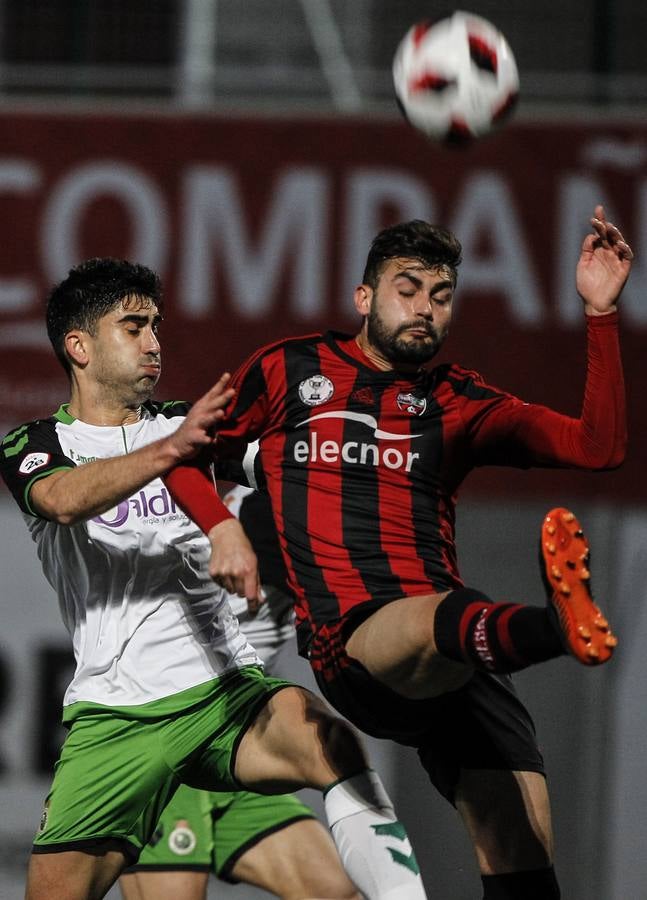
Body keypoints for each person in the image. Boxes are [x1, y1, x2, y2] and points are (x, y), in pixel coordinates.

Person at [163, 205, 633, 900]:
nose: (425, 309)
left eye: (441, 297)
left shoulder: (458, 401)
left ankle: (542, 629)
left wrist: (599, 314)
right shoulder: (292, 368)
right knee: (436, 617)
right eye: (407, 289)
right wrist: (222, 528)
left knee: (520, 853)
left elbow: (599, 448)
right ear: (364, 297)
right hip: (357, 642)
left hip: (467, 657)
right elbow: (182, 458)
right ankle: (550, 628)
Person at [0, 259, 427, 900]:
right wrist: (170, 454)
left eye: (157, 326)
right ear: (79, 347)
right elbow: (61, 500)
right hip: (119, 717)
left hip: (224, 693)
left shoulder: (184, 424)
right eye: (133, 326)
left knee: (331, 744)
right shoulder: (39, 442)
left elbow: (305, 464)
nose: (154, 343)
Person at [120, 483, 361, 900]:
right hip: (166, 735)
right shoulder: (279, 512)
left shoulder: (270, 498)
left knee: (334, 890)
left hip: (226, 744)